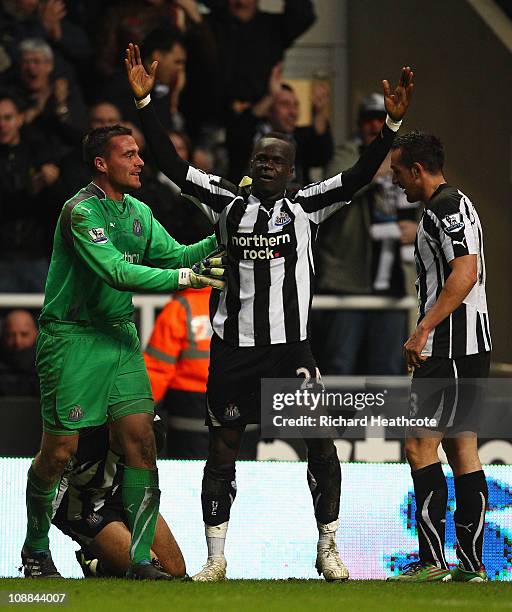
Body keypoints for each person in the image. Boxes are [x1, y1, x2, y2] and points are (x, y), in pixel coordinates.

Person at [126, 44, 414, 582]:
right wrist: (146, 104)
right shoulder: (225, 203)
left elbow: (358, 174)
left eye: (275, 161)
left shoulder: (307, 204)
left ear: (290, 170)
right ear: (250, 165)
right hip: (233, 349)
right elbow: (168, 164)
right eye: (259, 159)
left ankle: (327, 547)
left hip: (290, 350)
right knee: (222, 452)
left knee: (321, 446)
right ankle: (216, 558)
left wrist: (392, 125)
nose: (265, 167)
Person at [21, 122, 226, 580]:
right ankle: (35, 548)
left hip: (119, 337)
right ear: (102, 163)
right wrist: (188, 280)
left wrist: (228, 230)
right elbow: (116, 272)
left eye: (138, 153)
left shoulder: (138, 211)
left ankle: (136, 561)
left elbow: (177, 254)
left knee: (141, 441)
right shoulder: (80, 212)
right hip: (72, 339)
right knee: (58, 452)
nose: (139, 162)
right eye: (129, 155)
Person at [387, 132, 491, 582]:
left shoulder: (442, 209)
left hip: (447, 348)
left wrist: (424, 328)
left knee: (418, 446)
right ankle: (472, 566)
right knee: (462, 449)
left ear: (417, 170)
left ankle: (433, 563)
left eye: (397, 173)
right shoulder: (461, 203)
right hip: (473, 347)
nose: (395, 182)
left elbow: (464, 273)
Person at [313, 92, 418, 375]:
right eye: (368, 120)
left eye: (380, 120)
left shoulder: (405, 161)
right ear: (359, 125)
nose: (374, 126)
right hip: (349, 280)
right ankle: (338, 421)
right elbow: (332, 190)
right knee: (339, 365)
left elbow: (424, 198)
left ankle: (382, 421)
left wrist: (418, 230)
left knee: (388, 367)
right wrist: (377, 167)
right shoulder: (348, 154)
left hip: (394, 284)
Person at [52, 422, 186, 579]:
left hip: (126, 496)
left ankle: (104, 564)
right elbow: (50, 489)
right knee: (154, 571)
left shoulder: (150, 430)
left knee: (177, 571)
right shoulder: (83, 441)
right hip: (86, 509)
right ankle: (93, 560)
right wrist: (37, 547)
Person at [226, 67, 333, 187]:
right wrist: (271, 96)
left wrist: (319, 112)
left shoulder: (300, 137)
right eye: (285, 104)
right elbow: (238, 132)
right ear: (268, 108)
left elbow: (322, 156)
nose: (293, 112)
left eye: (296, 105)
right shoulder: (248, 133)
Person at [0, 90, 61, 292]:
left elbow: (58, 203)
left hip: (36, 254)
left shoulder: (38, 151)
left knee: (49, 316)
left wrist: (49, 184)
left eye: (7, 118)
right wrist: (32, 187)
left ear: (20, 119)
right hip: (4, 257)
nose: (2, 124)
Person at [0, 309, 38, 396]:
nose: (18, 341)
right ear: (3, 337)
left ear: (36, 334)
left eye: (24, 334)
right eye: (11, 335)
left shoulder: (49, 368)